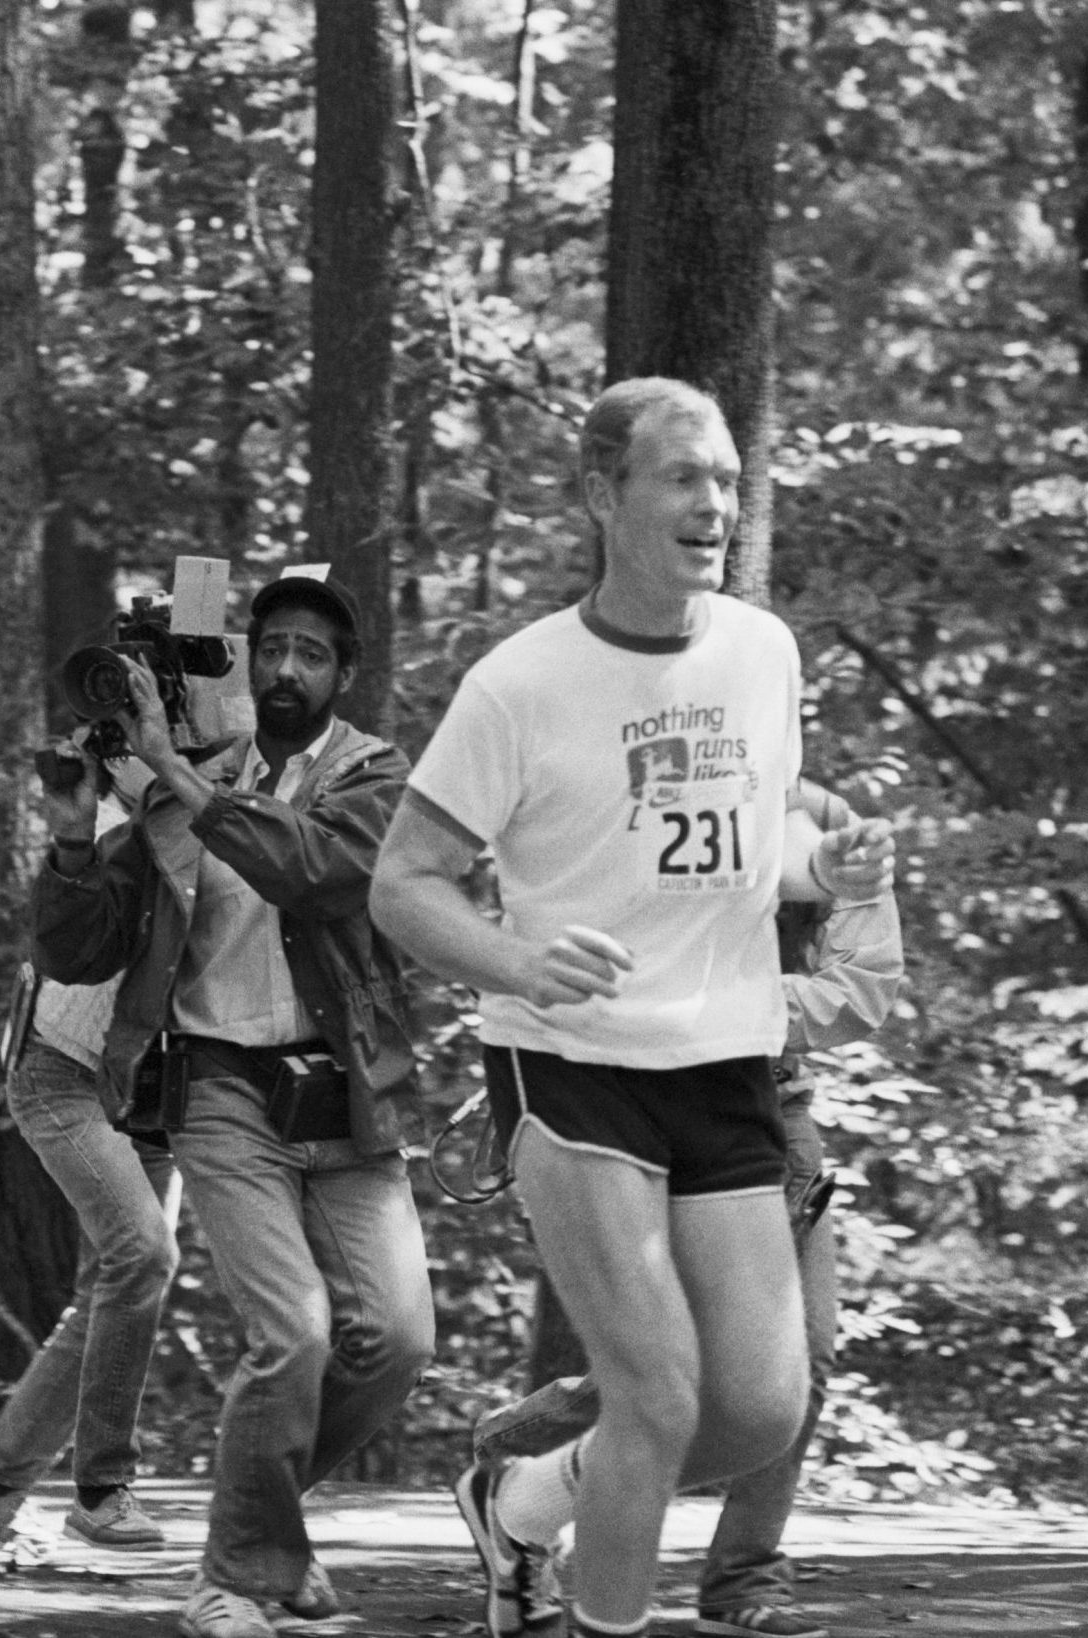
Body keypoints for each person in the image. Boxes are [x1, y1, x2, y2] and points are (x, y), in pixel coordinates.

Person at [369, 377, 895, 1638]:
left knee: (761, 1408)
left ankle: (522, 1499)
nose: (714, 503)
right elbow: (403, 883)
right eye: (683, 478)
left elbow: (743, 845)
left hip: (725, 1061)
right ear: (606, 498)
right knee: (655, 1395)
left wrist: (831, 870)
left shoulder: (761, 652)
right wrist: (514, 962)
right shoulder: (522, 685)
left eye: (725, 479)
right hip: (575, 1062)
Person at [36, 566, 434, 1638]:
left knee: (393, 1342)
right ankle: (232, 1579)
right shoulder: (183, 782)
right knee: (293, 1332)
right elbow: (79, 947)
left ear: (345, 675)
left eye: (313, 652)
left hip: (347, 1096)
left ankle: (266, 1534)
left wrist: (174, 769)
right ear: (249, 661)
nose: (289, 667)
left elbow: (312, 871)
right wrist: (75, 839)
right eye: (274, 647)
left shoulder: (376, 776)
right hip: (222, 1091)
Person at [0, 771, 182, 1554]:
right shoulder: (107, 823)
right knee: (142, 1252)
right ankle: (102, 1487)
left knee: (117, 1285)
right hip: (57, 1073)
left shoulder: (232, 809)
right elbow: (69, 930)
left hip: (149, 1088)